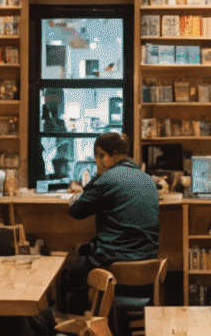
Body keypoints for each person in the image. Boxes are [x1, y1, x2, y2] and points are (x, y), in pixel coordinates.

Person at [59, 132, 159, 312]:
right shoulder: (147, 178)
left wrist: (95, 178)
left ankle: (81, 332)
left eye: (96, 157)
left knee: (73, 271)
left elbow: (76, 211)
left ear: (104, 157)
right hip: (149, 264)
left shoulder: (107, 179)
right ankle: (111, 326)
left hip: (115, 264)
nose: (95, 162)